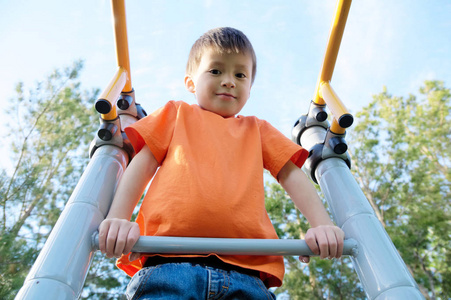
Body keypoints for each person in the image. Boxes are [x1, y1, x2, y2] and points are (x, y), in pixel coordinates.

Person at [98, 27, 344, 299]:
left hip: (247, 272)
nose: (229, 81)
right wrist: (118, 217)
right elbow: (141, 165)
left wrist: (321, 223)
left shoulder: (257, 130)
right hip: (167, 263)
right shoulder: (175, 114)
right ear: (191, 82)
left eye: (240, 74)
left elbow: (291, 175)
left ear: (249, 88)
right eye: (216, 71)